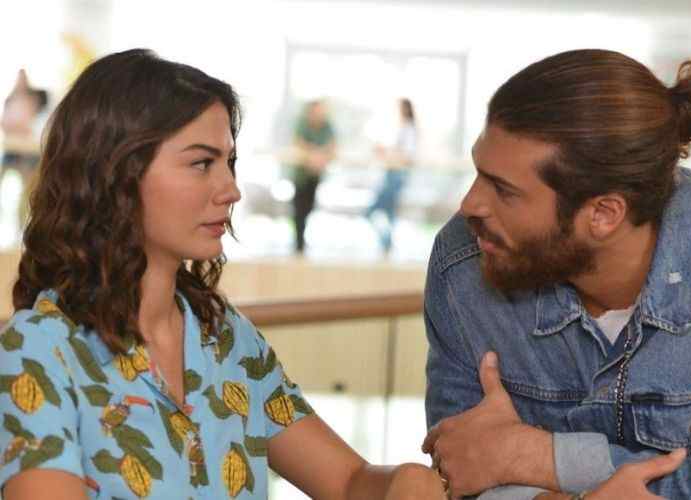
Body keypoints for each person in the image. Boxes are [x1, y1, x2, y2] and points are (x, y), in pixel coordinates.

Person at [0, 49, 445, 500]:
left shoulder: (224, 336)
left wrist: (407, 482)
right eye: (201, 164)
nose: (231, 190)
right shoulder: (39, 349)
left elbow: (348, 481)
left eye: (229, 163)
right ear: (117, 173)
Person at [421, 49, 691, 499]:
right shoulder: (463, 259)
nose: (470, 204)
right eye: (479, 172)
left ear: (604, 214)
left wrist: (535, 457)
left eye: (503, 190)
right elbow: (460, 465)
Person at [365, 98, 417, 253]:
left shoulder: (409, 129)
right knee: (389, 212)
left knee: (373, 211)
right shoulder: (402, 129)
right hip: (391, 174)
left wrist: (386, 152)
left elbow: (407, 156)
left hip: (397, 175)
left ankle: (386, 242)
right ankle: (386, 244)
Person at [1, 69, 48, 232]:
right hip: (12, 149)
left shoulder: (32, 99)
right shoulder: (10, 99)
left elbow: (30, 123)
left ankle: (22, 227)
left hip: (27, 152)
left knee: (28, 192)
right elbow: (5, 122)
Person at [290, 99, 336, 254]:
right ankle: (298, 245)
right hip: (301, 176)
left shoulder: (327, 126)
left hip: (315, 176)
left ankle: (301, 243)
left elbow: (332, 145)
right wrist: (314, 155)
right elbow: (298, 142)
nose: (320, 113)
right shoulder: (303, 124)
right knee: (299, 210)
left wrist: (319, 156)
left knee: (309, 208)